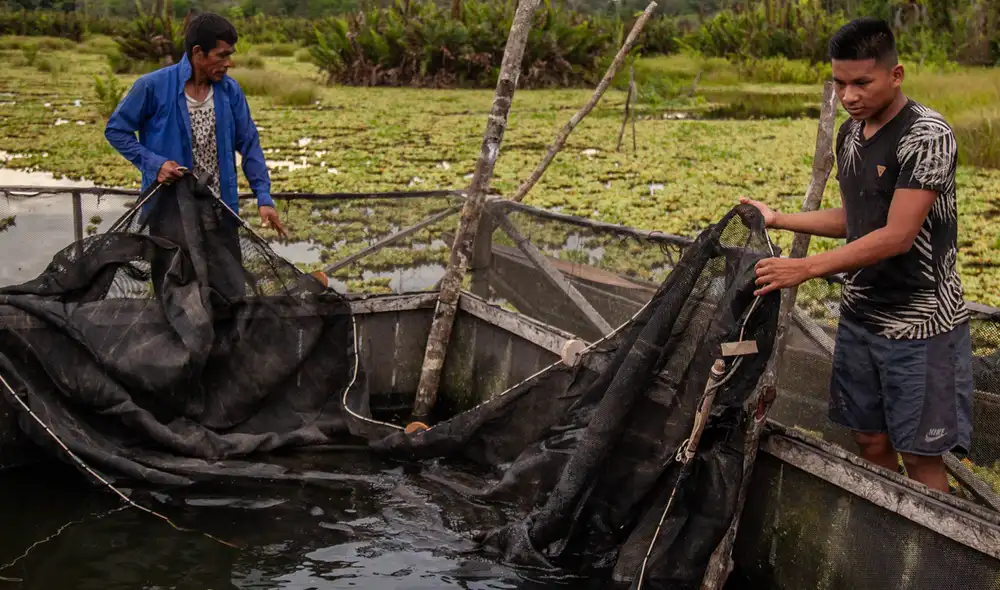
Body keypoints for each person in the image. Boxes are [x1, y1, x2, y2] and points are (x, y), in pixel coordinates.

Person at [741, 17, 973, 494]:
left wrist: (805, 267)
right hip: (861, 317)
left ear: (895, 75)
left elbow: (898, 236)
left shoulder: (926, 135)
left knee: (921, 456)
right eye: (839, 83)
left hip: (920, 325)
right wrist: (778, 218)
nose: (848, 96)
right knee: (868, 439)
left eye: (862, 82)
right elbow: (856, 219)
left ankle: (925, 541)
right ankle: (887, 528)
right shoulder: (850, 134)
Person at [104, 12, 286, 239]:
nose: (228, 63)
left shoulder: (230, 91)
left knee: (226, 264)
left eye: (230, 55)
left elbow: (250, 144)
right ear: (198, 53)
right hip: (169, 215)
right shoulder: (152, 86)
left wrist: (263, 197)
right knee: (173, 263)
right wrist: (155, 164)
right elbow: (116, 130)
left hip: (221, 212)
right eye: (222, 55)